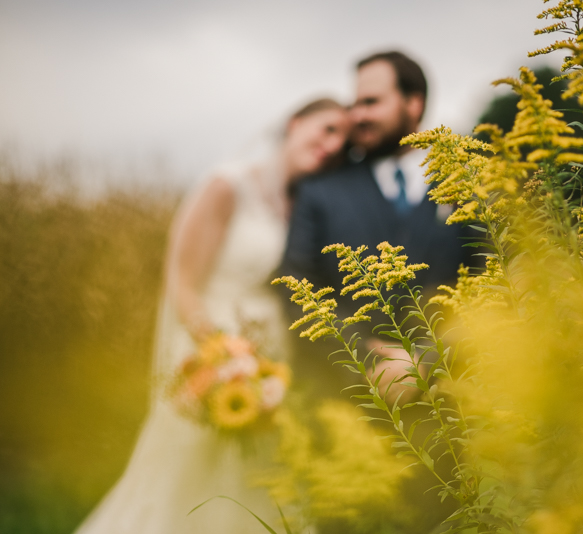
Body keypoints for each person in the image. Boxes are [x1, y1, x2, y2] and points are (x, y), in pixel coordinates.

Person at [74, 98, 350, 534]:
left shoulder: (301, 203)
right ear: (296, 122)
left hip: (273, 357)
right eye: (328, 128)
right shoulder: (227, 185)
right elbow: (181, 282)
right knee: (190, 474)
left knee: (261, 477)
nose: (334, 144)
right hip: (212, 348)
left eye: (344, 140)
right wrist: (222, 352)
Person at [279, 51, 473, 534]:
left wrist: (425, 358)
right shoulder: (320, 192)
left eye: (372, 101)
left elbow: (489, 289)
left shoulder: (466, 184)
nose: (357, 115)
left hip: (451, 420)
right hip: (347, 414)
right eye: (355, 102)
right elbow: (294, 285)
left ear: (414, 104)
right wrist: (364, 356)